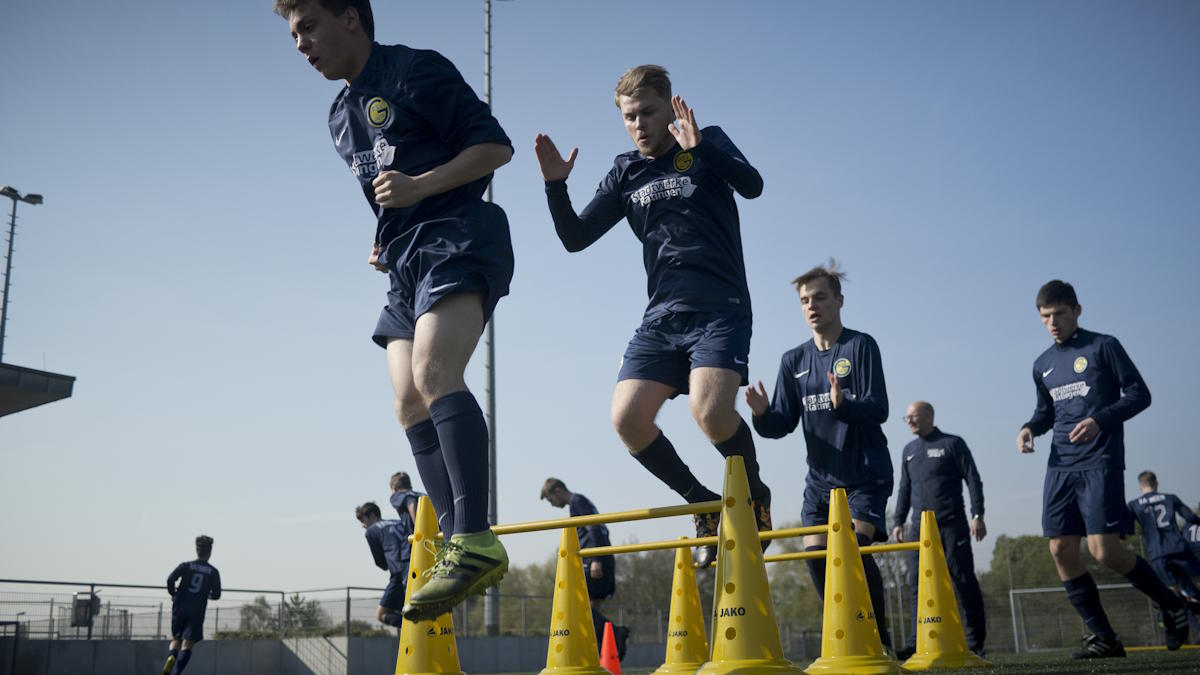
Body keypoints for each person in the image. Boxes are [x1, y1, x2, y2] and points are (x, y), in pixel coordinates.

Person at [274, 0, 515, 622]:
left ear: (350, 17)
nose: (300, 43)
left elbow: (494, 148)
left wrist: (420, 187)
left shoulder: (415, 70)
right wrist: (384, 232)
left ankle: (474, 537)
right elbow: (385, 192)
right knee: (408, 400)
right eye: (292, 33)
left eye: (309, 26)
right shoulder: (338, 117)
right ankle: (457, 548)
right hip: (405, 260)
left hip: (458, 234)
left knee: (436, 375)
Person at [534, 64, 769, 568]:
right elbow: (576, 239)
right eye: (628, 116)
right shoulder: (625, 171)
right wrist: (556, 187)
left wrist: (700, 146)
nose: (638, 124)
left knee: (708, 412)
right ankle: (703, 503)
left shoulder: (706, 143)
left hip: (718, 308)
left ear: (671, 107)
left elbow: (752, 186)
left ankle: (755, 497)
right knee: (627, 419)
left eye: (647, 112)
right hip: (660, 318)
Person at [1017, 279, 1189, 657]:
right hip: (1060, 466)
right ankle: (1104, 638)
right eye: (1045, 317)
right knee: (1060, 550)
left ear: (1077, 311)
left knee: (1103, 551)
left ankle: (1172, 605)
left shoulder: (1103, 346)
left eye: (1059, 314)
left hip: (1100, 460)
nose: (1052, 323)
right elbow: (1046, 413)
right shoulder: (1041, 364)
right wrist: (1029, 428)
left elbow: (1139, 394)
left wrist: (1100, 420)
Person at [746, 261, 894, 649]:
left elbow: (878, 408)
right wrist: (762, 415)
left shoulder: (861, 346)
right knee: (816, 558)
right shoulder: (793, 361)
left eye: (820, 297)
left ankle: (878, 640)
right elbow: (782, 424)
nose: (812, 305)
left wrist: (843, 404)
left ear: (839, 301)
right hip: (820, 484)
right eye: (805, 300)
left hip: (864, 475)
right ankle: (845, 636)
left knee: (852, 552)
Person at [891, 401, 987, 658]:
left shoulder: (952, 443)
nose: (909, 421)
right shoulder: (909, 450)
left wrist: (977, 514)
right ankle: (916, 641)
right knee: (916, 584)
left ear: (929, 416)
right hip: (918, 531)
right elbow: (904, 489)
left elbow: (973, 478)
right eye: (907, 417)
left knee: (963, 580)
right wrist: (898, 521)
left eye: (914, 416)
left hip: (951, 524)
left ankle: (974, 642)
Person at [540, 478, 630, 661]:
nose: (552, 504)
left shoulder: (577, 502)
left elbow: (594, 528)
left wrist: (595, 559)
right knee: (589, 611)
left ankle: (614, 632)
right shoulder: (580, 502)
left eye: (550, 499)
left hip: (593, 561)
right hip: (600, 558)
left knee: (576, 606)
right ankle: (597, 650)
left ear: (558, 490)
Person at [1127, 472, 1200, 614]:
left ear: (1140, 486)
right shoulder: (1170, 498)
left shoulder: (1133, 505)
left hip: (1157, 554)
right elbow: (1190, 517)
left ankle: (1190, 622)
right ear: (1156, 483)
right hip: (1178, 548)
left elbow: (1128, 529)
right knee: (1197, 578)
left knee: (1174, 593)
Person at [162, 536, 221, 675]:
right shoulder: (213, 572)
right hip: (196, 609)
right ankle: (176, 672)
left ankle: (171, 656)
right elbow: (217, 594)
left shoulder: (186, 566)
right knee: (188, 643)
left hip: (179, 606)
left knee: (176, 639)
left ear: (196, 550)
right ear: (210, 552)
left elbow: (170, 579)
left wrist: (174, 594)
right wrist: (206, 594)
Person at [356, 502, 411, 627]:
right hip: (413, 566)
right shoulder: (398, 522)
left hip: (399, 573)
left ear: (372, 515)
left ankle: (413, 628)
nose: (363, 526)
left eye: (364, 521)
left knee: (381, 614)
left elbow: (380, 562)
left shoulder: (372, 530)